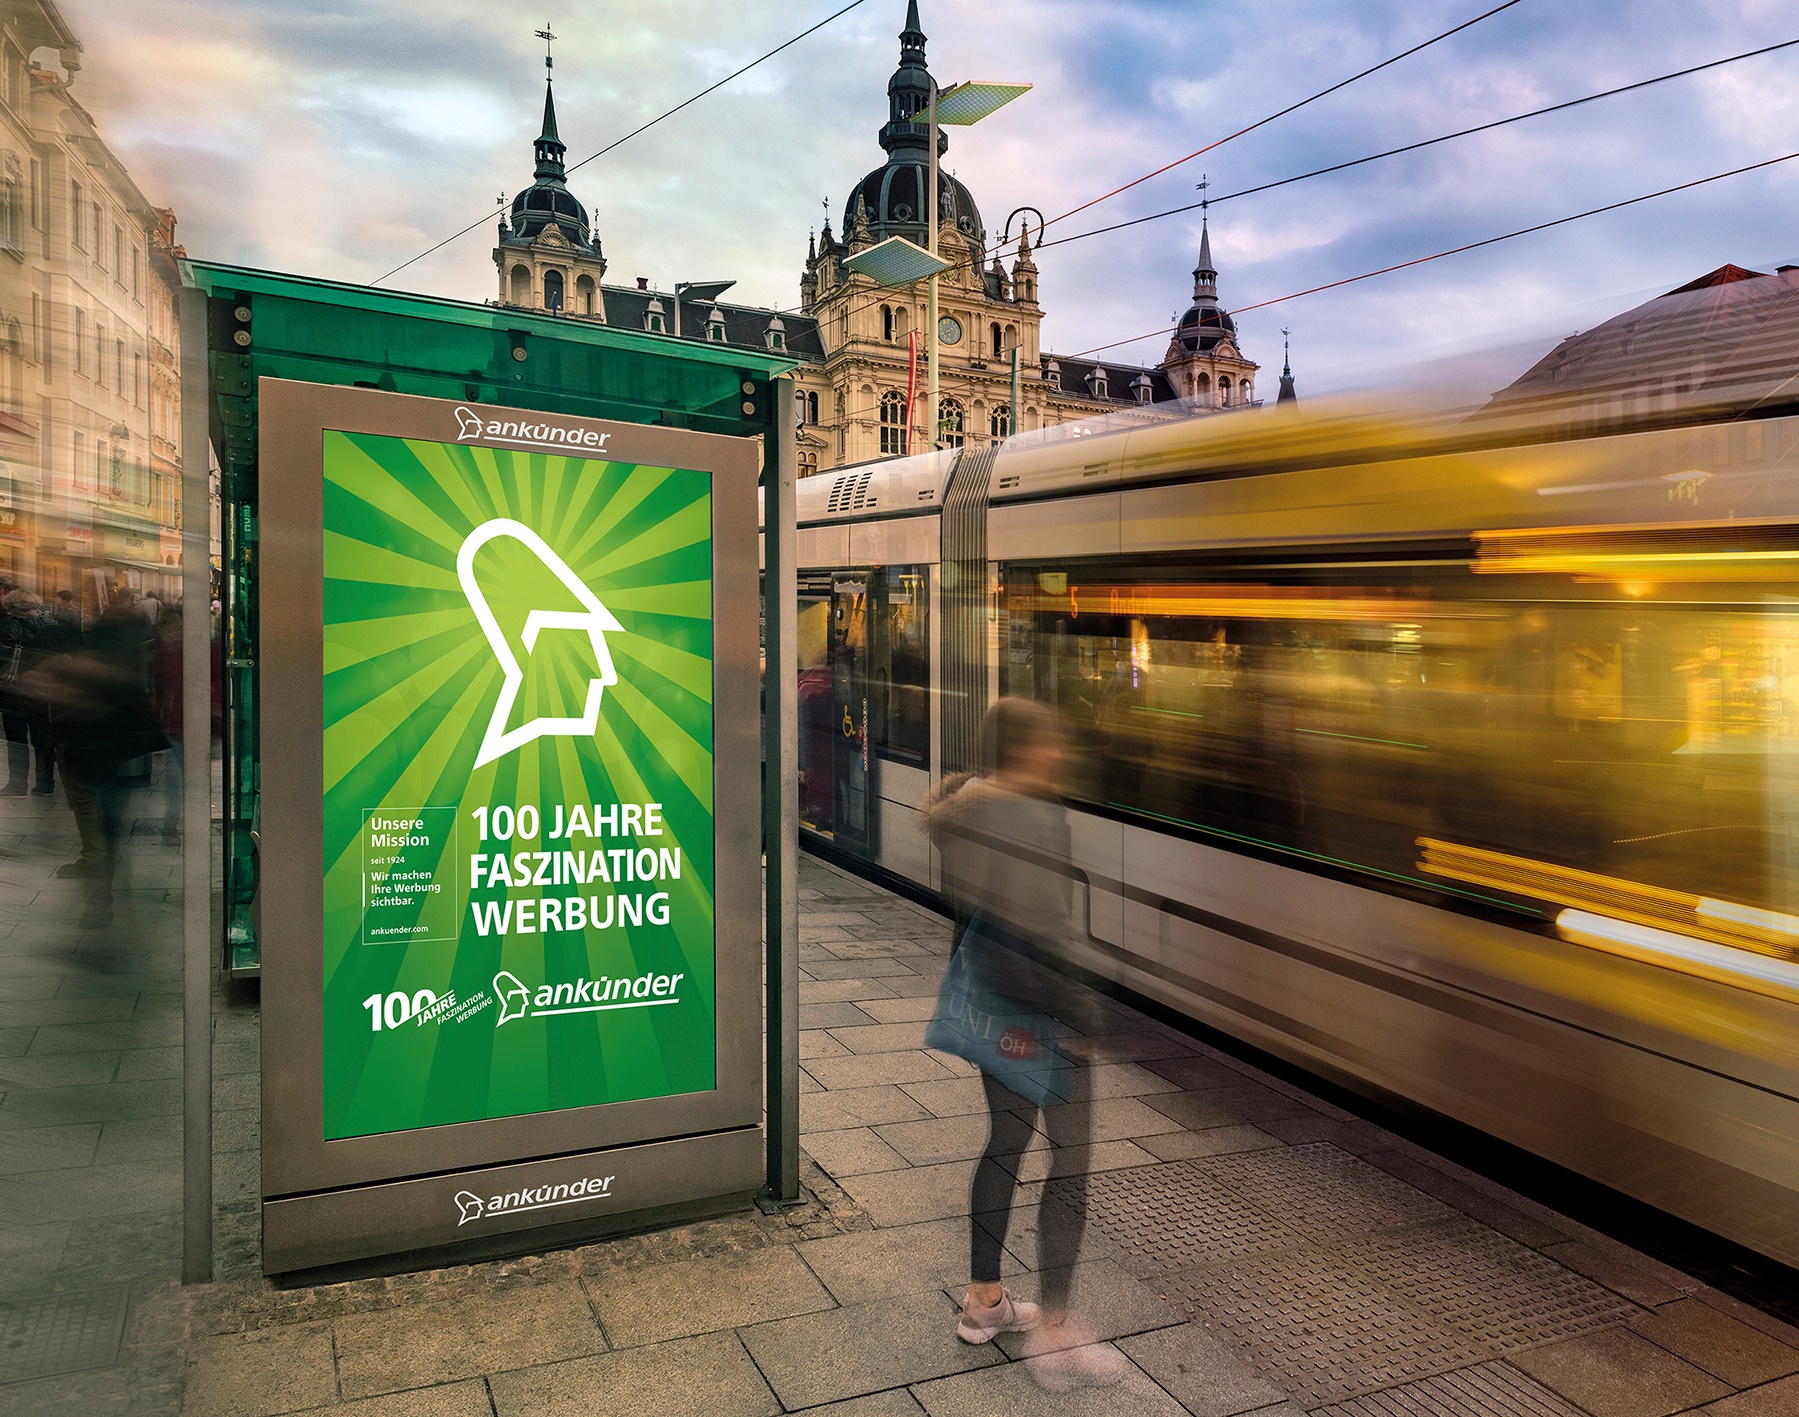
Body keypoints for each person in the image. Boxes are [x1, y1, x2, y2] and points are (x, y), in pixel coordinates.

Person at [922, 697, 1126, 1392]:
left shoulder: (965, 811)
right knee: (1070, 1162)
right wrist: (1084, 1016)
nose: (1058, 754)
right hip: (1042, 1011)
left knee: (1005, 1146)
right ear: (1023, 750)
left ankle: (984, 1301)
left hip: (990, 1008)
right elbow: (1047, 927)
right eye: (1048, 742)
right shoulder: (1029, 814)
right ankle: (1057, 1329)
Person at [1, 590, 75, 795]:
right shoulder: (50, 623)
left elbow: (4, 654)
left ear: (15, 606)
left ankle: (17, 785)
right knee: (42, 737)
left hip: (16, 687)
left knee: (16, 738)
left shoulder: (12, 624)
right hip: (43, 687)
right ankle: (45, 783)